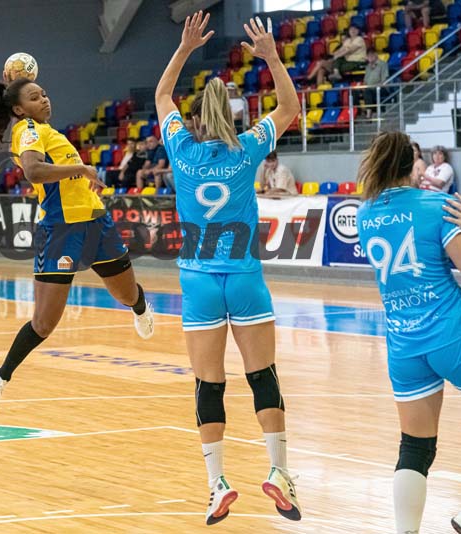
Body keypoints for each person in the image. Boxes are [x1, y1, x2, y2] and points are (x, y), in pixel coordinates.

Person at [155, 12, 302, 526]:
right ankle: (279, 471)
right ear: (235, 116)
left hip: (198, 281)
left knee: (209, 384)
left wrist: (185, 49)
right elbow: (290, 107)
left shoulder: (181, 150)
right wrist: (272, 57)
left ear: (196, 121)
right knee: (263, 376)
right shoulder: (248, 149)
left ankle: (216, 484)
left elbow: (163, 96)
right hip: (244, 278)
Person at [0, 75, 155, 414]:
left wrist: (79, 174)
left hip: (95, 220)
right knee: (44, 324)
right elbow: (34, 172)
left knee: (128, 295)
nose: (44, 100)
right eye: (35, 97)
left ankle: (141, 308)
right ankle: (0, 377)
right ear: (19, 109)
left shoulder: (48, 131)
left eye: (44, 94)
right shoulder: (26, 130)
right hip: (60, 230)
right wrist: (80, 168)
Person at [356, 131, 461, 534]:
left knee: (415, 447)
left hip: (403, 343)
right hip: (451, 335)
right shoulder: (436, 205)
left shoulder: (364, 214)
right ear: (410, 164)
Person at [362, 48, 388, 119]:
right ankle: (359, 112)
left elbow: (384, 80)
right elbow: (365, 80)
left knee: (368, 91)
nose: (370, 57)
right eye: (368, 56)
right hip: (369, 88)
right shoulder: (368, 67)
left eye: (371, 55)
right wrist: (363, 86)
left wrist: (376, 86)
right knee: (354, 92)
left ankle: (368, 114)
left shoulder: (383, 64)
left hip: (380, 88)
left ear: (376, 54)